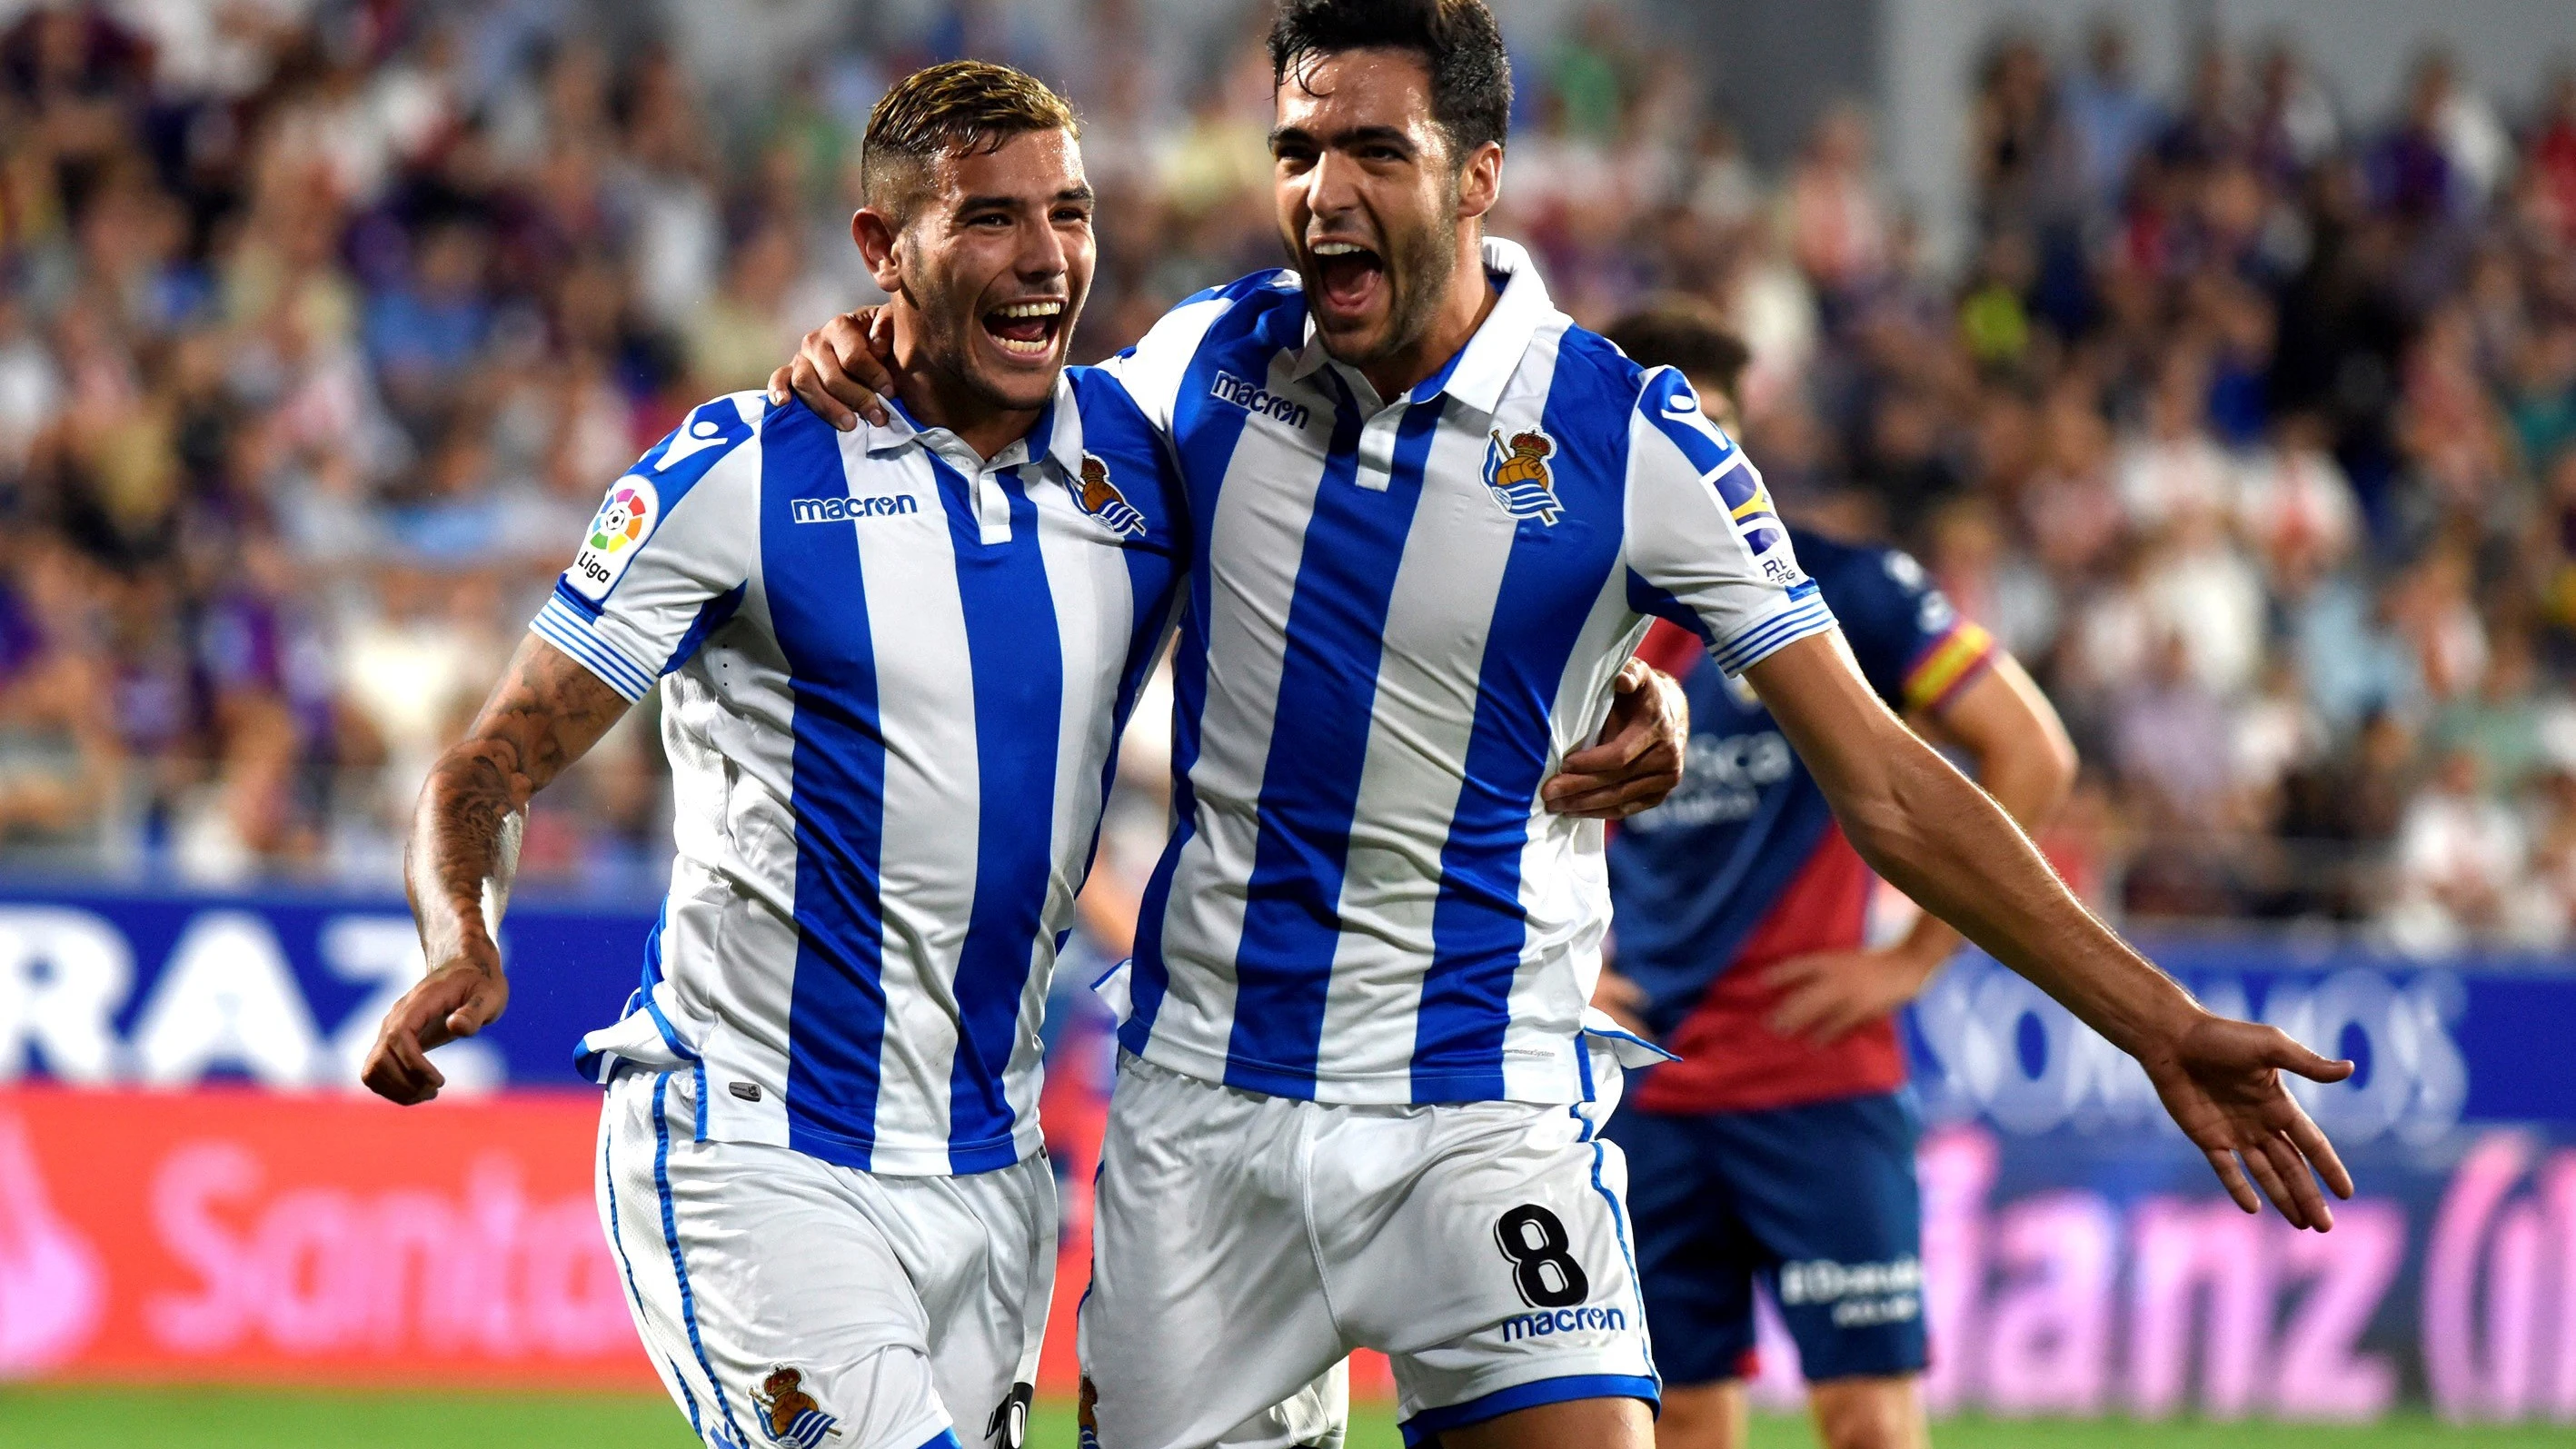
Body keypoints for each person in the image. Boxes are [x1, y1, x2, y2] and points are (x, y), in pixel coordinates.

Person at [776, 5, 2355, 1447]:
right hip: (1210, 1133)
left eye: (1374, 150)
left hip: (1489, 1110)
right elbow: (995, 444)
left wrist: (2156, 1018)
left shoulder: (1631, 434)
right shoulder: (1210, 362)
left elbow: (1883, 777)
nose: (1323, 192)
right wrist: (875, 347)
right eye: (1296, 150)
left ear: (1478, 177)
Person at [357, 61, 1685, 1449]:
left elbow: (1401, 576)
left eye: (1069, 211)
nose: (1045, 254)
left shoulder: (1141, 460)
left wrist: (1631, 693)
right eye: (988, 219)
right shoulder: (742, 472)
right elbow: (488, 764)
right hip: (754, 1142)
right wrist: (462, 935)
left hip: (990, 1171)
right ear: (885, 251)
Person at [1594, 302, 2076, 1449]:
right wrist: (1556, 976)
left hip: (1817, 1079)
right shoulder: (1574, 612)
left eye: (1707, 430)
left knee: (1866, 1424)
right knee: (1680, 1429)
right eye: (1657, 434)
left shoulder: (1839, 591)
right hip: (1645, 1088)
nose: (1685, 460)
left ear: (1742, 443)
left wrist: (1912, 958)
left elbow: (2033, 751)